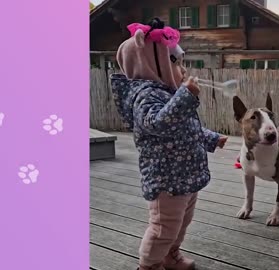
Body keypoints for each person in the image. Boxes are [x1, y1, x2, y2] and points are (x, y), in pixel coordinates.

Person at [110, 18, 228, 270]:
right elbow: (157, 123)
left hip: (185, 176)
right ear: (152, 65)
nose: (183, 70)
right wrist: (186, 96)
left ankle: (170, 255)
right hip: (166, 180)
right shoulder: (144, 96)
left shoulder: (168, 94)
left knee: (180, 224)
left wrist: (211, 138)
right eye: (176, 63)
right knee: (163, 227)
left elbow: (186, 128)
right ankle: (149, 265)